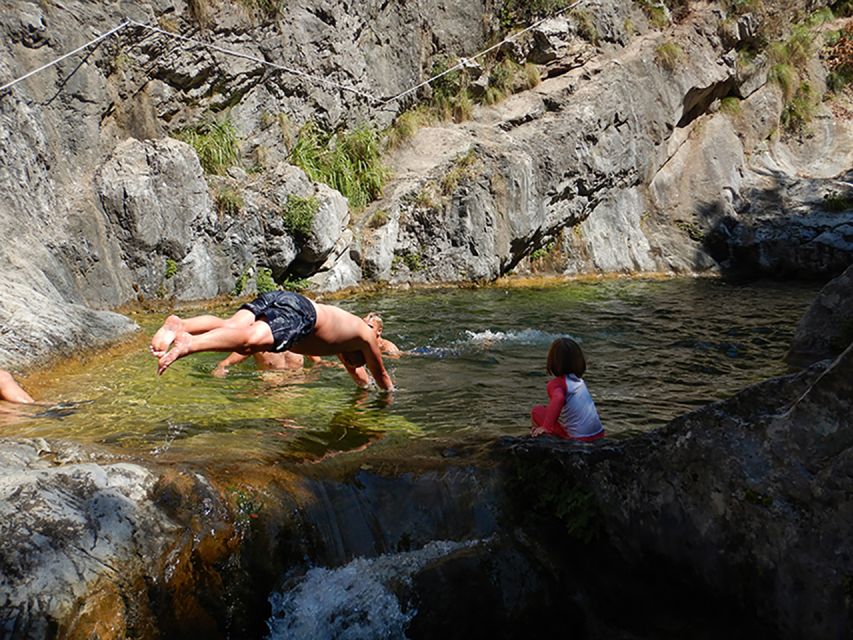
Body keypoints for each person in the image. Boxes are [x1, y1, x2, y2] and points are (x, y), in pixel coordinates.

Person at [151, 291, 394, 390]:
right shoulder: (366, 336)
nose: (349, 365)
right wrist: (391, 397)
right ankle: (189, 344)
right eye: (351, 363)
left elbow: (363, 380)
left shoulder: (346, 341)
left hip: (285, 297)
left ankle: (182, 325)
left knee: (232, 326)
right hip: (303, 314)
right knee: (249, 342)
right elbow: (381, 376)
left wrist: (365, 391)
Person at [530, 337, 604, 441]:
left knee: (537, 411)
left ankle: (536, 434)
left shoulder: (557, 384)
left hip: (579, 439)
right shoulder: (579, 382)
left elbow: (558, 398)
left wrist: (546, 427)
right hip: (599, 435)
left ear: (553, 361)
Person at [212, 350, 323, 377]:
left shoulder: (299, 339)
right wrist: (220, 368)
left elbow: (318, 362)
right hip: (270, 386)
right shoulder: (258, 343)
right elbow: (226, 362)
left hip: (298, 384)